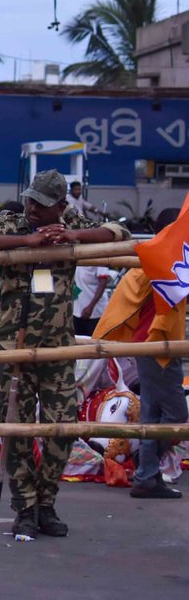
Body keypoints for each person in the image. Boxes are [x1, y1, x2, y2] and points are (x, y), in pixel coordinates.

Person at [0, 169, 129, 538]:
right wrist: (28, 240)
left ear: (60, 206)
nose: (32, 207)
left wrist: (72, 236)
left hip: (56, 346)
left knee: (63, 424)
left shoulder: (70, 222)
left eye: (40, 205)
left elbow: (120, 233)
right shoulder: (13, 222)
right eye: (30, 200)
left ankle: (46, 502)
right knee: (18, 427)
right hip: (14, 346)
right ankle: (24, 507)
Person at [93, 208, 186, 499]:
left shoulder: (160, 256)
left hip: (155, 344)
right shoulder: (161, 257)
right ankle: (145, 470)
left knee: (152, 414)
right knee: (176, 416)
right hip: (156, 346)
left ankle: (147, 476)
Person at [72, 264, 111, 336]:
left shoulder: (99, 258)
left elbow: (103, 283)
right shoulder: (76, 256)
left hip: (95, 312)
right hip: (76, 310)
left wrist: (90, 307)